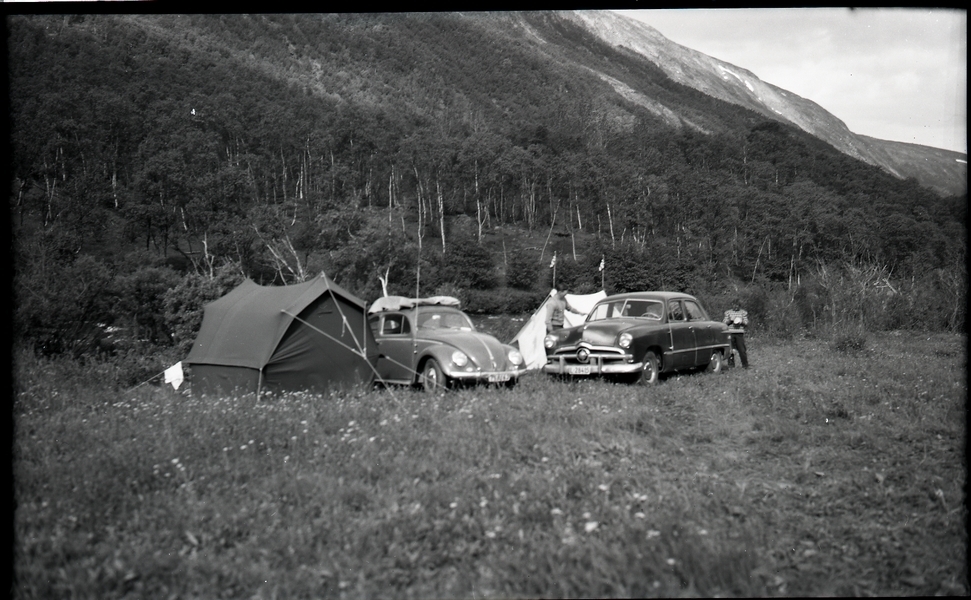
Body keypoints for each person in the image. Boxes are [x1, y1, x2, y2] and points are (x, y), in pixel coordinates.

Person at [722, 297, 750, 368]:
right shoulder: (728, 312)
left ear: (740, 305)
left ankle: (745, 365)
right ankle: (731, 365)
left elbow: (746, 323)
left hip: (739, 333)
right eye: (734, 305)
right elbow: (724, 323)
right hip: (730, 333)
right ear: (732, 305)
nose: (736, 306)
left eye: (737, 305)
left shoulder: (743, 312)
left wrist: (741, 322)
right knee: (731, 350)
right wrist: (731, 321)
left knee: (742, 350)